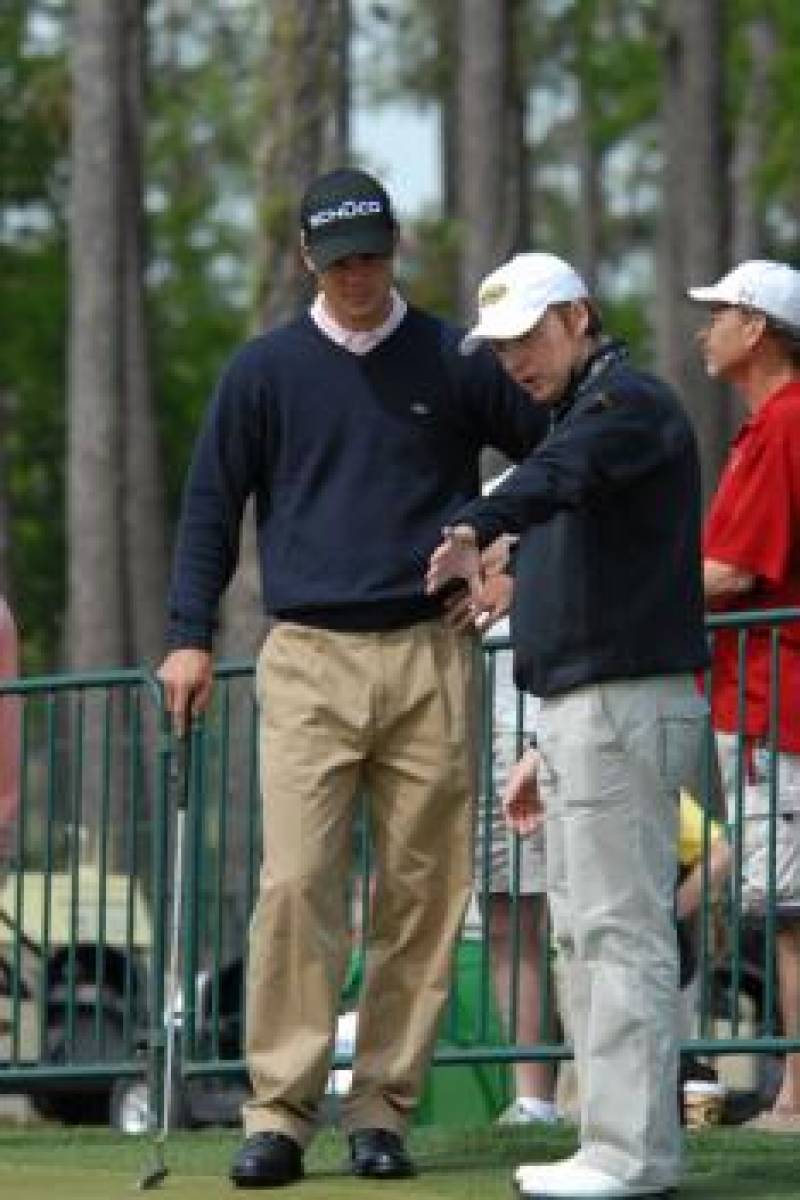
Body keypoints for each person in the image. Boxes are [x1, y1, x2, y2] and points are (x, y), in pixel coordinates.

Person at [157, 167, 547, 1187]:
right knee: (296, 887)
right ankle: (280, 1113)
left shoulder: (455, 359)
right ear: (305, 262)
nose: (358, 275)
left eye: (370, 254)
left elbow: (559, 458)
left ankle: (380, 1109)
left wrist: (507, 557)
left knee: (421, 893)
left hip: (429, 652)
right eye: (337, 262)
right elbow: (211, 507)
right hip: (307, 658)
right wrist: (187, 635)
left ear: (395, 246)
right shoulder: (263, 370)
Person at [426, 251, 709, 1200]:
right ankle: (611, 1143)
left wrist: (473, 522)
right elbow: (571, 560)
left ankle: (633, 1156)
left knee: (619, 931)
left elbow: (558, 477)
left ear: (578, 316)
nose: (512, 362)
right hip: (584, 712)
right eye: (498, 349)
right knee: (584, 933)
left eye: (527, 339)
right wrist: (544, 745)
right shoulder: (579, 425)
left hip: (622, 706)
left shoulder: (628, 407)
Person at [688, 259, 800, 1130]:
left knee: (791, 911)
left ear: (757, 327)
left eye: (719, 313)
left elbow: (729, 571)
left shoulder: (782, 426)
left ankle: (798, 1096)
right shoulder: (772, 425)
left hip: (777, 695)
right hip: (764, 695)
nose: (705, 329)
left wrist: (628, 597)